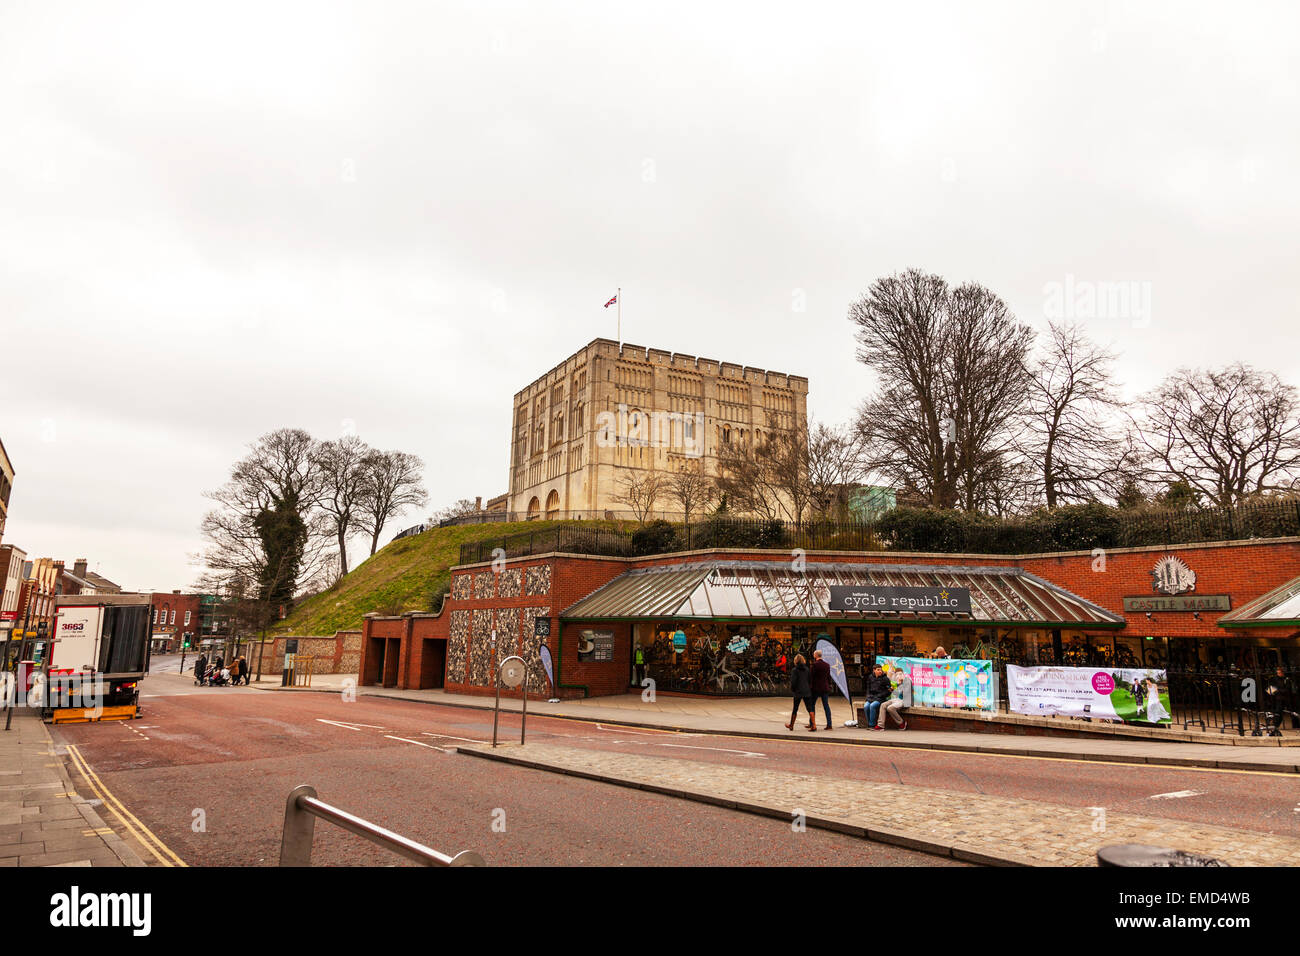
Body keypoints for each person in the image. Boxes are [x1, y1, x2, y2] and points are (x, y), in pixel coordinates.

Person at [785, 654, 816, 732]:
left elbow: (793, 682)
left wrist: (793, 689)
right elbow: (810, 680)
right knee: (810, 709)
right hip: (806, 691)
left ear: (796, 661)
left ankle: (791, 725)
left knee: (795, 709)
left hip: (798, 691)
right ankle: (814, 725)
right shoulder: (807, 669)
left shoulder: (794, 670)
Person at [864, 664, 893, 729]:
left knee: (872, 706)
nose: (880, 671)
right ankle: (868, 724)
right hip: (871, 697)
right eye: (878, 670)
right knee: (866, 706)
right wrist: (867, 697)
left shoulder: (885, 679)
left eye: (881, 670)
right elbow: (868, 689)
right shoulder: (870, 677)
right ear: (874, 670)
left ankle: (872, 725)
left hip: (880, 698)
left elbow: (888, 691)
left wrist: (880, 695)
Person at [810, 649, 833, 732]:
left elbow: (811, 677)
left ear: (816, 655)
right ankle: (829, 724)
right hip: (825, 688)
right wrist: (829, 685)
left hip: (816, 688)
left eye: (814, 654)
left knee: (812, 705)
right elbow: (828, 677)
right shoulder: (827, 665)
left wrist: (810, 687)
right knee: (826, 706)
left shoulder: (814, 665)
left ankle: (812, 723)